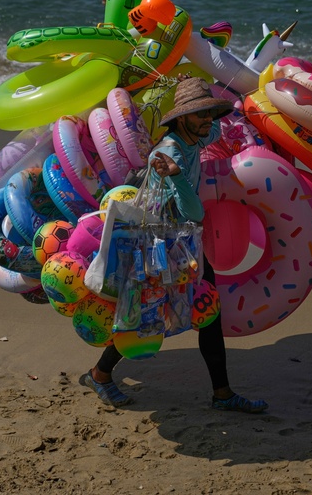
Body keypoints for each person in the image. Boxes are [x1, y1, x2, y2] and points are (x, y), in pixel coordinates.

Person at [79, 76, 269, 413]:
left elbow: (214, 130)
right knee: (143, 318)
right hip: (157, 250)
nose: (207, 120)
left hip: (182, 242)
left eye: (209, 112)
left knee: (209, 313)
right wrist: (177, 174)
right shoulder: (166, 155)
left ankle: (222, 394)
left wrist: (221, 96)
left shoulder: (195, 135)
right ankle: (99, 373)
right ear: (182, 119)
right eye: (199, 115)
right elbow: (193, 211)